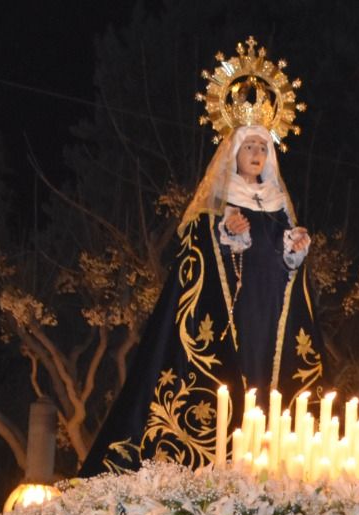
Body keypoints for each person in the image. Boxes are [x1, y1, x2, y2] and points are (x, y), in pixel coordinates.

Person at [81, 118, 324, 475]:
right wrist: (225, 232)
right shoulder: (219, 202)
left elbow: (287, 270)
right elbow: (196, 250)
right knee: (231, 379)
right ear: (234, 154)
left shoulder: (278, 205)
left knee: (268, 383)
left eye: (262, 148)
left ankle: (270, 456)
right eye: (249, 147)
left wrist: (294, 249)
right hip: (228, 315)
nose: (257, 154)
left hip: (269, 315)